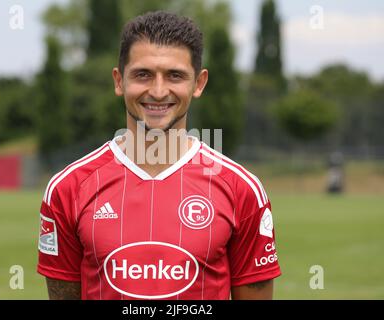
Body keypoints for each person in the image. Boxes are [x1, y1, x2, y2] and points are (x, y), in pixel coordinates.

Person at [37, 11, 281, 300]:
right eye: (143, 74)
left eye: (175, 75)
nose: (158, 90)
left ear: (199, 83)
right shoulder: (67, 189)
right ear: (119, 81)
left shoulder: (242, 190)